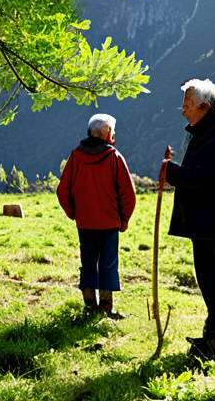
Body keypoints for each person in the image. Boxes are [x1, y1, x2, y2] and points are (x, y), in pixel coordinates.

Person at [164, 78, 215, 361]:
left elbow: (202, 176)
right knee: (211, 277)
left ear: (204, 106)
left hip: (213, 219)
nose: (182, 110)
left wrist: (170, 172)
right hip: (209, 218)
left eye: (187, 105)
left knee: (214, 277)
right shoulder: (212, 130)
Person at [57, 114, 137, 319]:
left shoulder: (75, 156)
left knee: (88, 264)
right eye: (113, 130)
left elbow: (62, 191)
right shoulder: (114, 157)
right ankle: (105, 308)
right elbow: (128, 194)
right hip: (110, 224)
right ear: (107, 133)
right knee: (108, 264)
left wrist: (74, 213)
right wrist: (124, 220)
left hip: (85, 223)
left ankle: (89, 307)